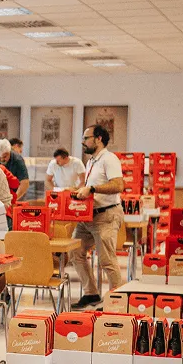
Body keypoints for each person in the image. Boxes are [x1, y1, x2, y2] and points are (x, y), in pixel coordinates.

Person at [71, 125, 125, 310]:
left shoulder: (109, 159)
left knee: (107, 260)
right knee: (75, 252)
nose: (83, 142)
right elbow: (90, 188)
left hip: (106, 215)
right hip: (87, 217)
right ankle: (91, 293)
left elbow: (118, 185)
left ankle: (116, 301)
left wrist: (92, 189)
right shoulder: (91, 161)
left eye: (86, 138)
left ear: (99, 138)